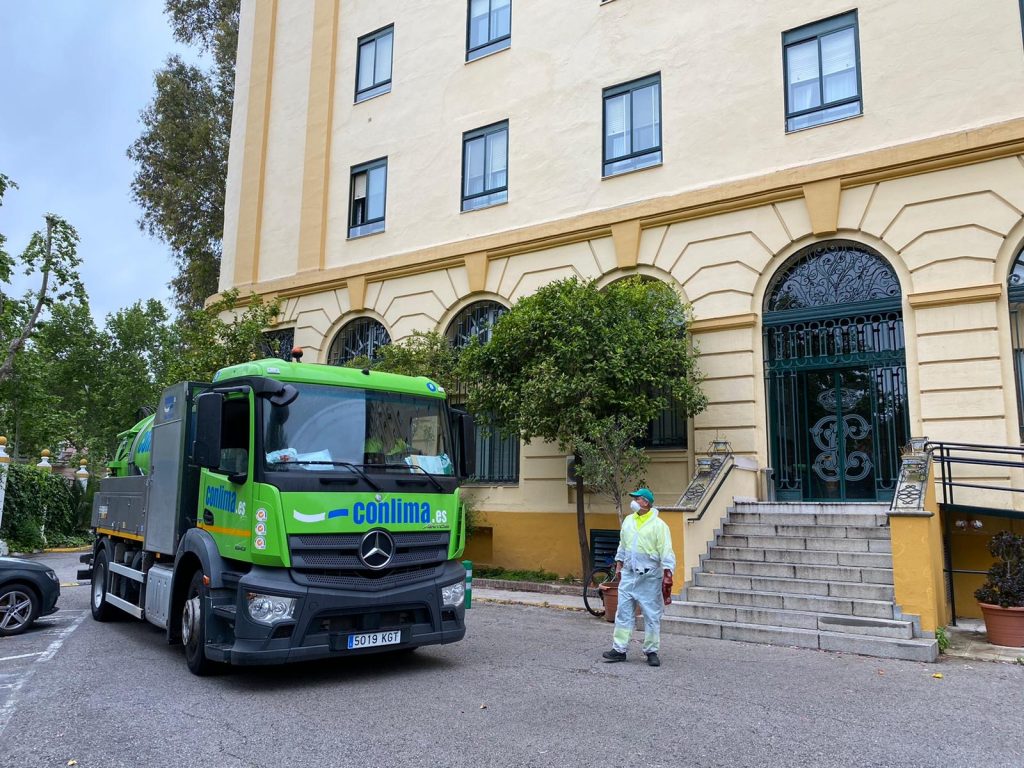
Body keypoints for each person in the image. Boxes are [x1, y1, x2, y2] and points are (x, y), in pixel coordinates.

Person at [602, 488, 675, 667]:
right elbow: (623, 544)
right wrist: (619, 563)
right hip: (629, 575)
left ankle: (651, 651)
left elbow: (666, 550)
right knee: (623, 613)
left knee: (651, 614)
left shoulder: (659, 526)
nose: (633, 501)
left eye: (636, 498)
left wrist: (668, 573)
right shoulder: (629, 521)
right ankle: (619, 649)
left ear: (646, 502)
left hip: (649, 577)